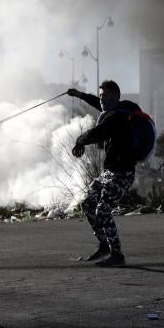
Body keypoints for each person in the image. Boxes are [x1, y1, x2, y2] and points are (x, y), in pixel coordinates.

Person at [68, 80, 144, 267]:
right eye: (101, 96)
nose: (102, 100)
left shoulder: (117, 118)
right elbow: (99, 104)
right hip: (109, 173)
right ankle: (104, 245)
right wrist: (79, 95)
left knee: (103, 210)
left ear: (116, 97)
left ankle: (117, 255)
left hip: (123, 173)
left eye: (106, 96)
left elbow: (98, 132)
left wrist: (79, 140)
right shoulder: (117, 110)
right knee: (88, 204)